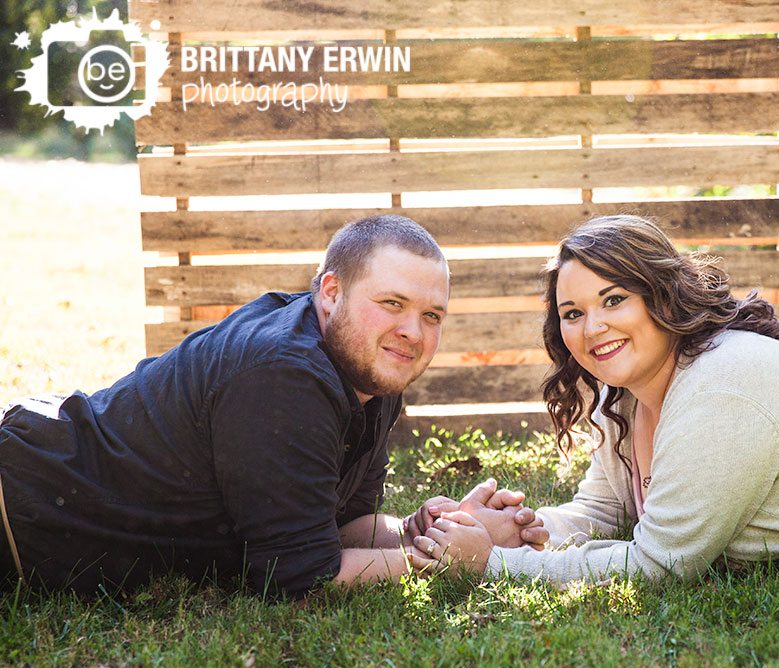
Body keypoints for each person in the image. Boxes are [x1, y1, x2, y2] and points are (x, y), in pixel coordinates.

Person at [410, 214, 779, 584]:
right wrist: (527, 530)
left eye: (614, 299)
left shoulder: (721, 387)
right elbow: (606, 514)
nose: (592, 327)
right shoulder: (621, 398)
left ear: (662, 296)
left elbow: (661, 563)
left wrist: (491, 565)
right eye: (573, 312)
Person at [0, 214, 546, 598]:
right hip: (19, 505)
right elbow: (301, 577)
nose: (412, 331)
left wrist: (429, 530)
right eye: (392, 304)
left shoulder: (371, 372)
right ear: (330, 293)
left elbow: (335, 529)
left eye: (432, 315)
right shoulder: (284, 374)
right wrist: (446, 563)